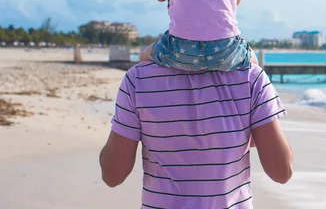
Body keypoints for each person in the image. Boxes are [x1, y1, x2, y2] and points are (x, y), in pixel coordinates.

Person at [99, 61, 293, 208]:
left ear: (170, 8)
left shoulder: (138, 78)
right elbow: (282, 172)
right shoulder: (251, 77)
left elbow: (112, 175)